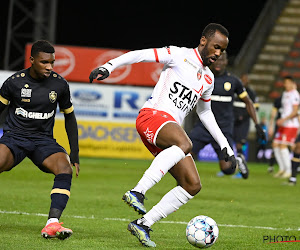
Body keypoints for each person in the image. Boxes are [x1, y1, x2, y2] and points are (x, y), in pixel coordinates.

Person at [90, 23, 236, 247]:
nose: (218, 53)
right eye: (216, 47)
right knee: (185, 142)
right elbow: (140, 55)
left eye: (223, 50)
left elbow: (205, 112)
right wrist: (109, 66)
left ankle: (144, 224)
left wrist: (224, 144)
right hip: (152, 116)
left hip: (169, 130)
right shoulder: (179, 55)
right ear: (203, 41)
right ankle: (138, 191)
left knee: (192, 184)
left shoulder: (208, 79)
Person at [0, 40, 80, 239]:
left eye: (52, 62)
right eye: (44, 62)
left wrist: (75, 152)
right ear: (32, 60)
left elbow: (70, 117)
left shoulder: (59, 84)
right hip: (14, 138)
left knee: (64, 168)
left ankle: (52, 224)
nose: (49, 67)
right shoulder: (14, 82)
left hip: (43, 141)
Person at [189, 52, 265, 179]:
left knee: (228, 169)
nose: (218, 63)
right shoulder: (202, 76)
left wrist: (257, 125)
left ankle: (238, 161)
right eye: (216, 60)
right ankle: (184, 185)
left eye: (222, 60)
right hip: (203, 127)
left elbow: (248, 102)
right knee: (185, 153)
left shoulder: (233, 81)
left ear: (226, 62)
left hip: (223, 129)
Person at [271, 76, 299, 178]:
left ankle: (289, 170)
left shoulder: (295, 94)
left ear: (292, 83)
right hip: (283, 124)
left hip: (291, 124)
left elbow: (295, 111)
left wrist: (284, 119)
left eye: (287, 83)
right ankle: (282, 168)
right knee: (275, 144)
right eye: (285, 83)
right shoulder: (285, 94)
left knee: (283, 146)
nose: (285, 85)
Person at [233, 73, 259, 163]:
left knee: (239, 144)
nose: (244, 81)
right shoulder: (234, 91)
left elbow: (256, 108)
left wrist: (243, 116)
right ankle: (229, 166)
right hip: (232, 121)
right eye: (242, 80)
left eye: (245, 80)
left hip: (243, 123)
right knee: (228, 143)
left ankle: (241, 166)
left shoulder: (251, 93)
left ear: (248, 81)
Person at [267, 95, 282, 173]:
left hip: (290, 126)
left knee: (292, 146)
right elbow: (273, 115)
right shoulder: (278, 100)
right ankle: (271, 166)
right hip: (278, 127)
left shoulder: (295, 98)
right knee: (275, 145)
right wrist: (271, 126)